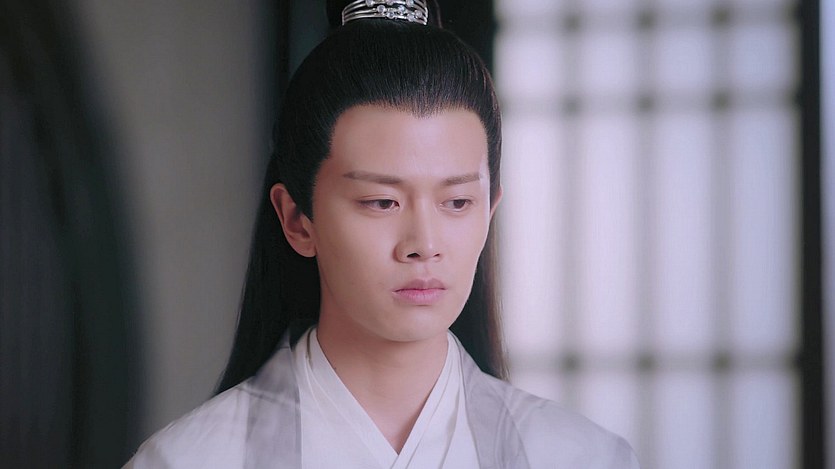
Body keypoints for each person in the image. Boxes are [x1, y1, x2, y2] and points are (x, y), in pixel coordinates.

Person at [125, 0, 640, 467]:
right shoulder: (188, 460)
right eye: (381, 202)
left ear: (490, 212)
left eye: (457, 202)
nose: (424, 244)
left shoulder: (582, 457)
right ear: (297, 220)